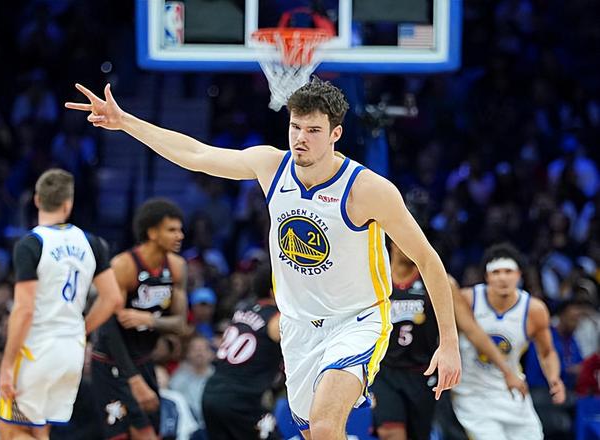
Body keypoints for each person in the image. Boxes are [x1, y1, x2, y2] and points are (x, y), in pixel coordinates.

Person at [67, 78, 461, 439]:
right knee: (313, 433)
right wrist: (126, 122)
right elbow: (196, 154)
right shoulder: (272, 166)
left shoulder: (368, 190)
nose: (300, 139)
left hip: (356, 320)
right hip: (298, 327)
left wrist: (448, 343)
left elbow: (429, 261)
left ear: (335, 134)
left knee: (325, 426)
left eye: (313, 131)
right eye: (295, 127)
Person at [0, 168, 123, 440]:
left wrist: (6, 364)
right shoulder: (92, 243)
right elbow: (113, 298)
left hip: (37, 349)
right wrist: (82, 330)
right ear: (68, 204)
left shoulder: (31, 243)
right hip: (71, 351)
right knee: (40, 430)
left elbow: (24, 310)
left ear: (37, 200)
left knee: (11, 431)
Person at [371, 242, 528, 440]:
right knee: (391, 433)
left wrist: (507, 371)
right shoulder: (375, 277)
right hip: (385, 371)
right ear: (393, 242)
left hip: (424, 372)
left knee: (419, 435)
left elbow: (471, 329)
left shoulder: (439, 281)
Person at [90, 198, 187, 440]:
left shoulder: (177, 267)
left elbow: (180, 324)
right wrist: (133, 379)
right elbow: (108, 326)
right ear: (152, 233)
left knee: (151, 430)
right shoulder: (124, 265)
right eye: (172, 230)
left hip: (144, 358)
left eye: (180, 229)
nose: (180, 236)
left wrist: (149, 320)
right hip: (112, 361)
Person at [451, 242, 566, 440]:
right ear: (486, 276)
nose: (502, 277)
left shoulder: (534, 310)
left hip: (512, 389)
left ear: (519, 274)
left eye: (508, 271)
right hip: (471, 393)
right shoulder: (468, 300)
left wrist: (554, 378)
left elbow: (547, 352)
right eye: (496, 272)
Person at [202, 263, 283, 440]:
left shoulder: (242, 311)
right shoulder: (277, 319)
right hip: (240, 401)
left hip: (211, 393)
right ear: (274, 291)